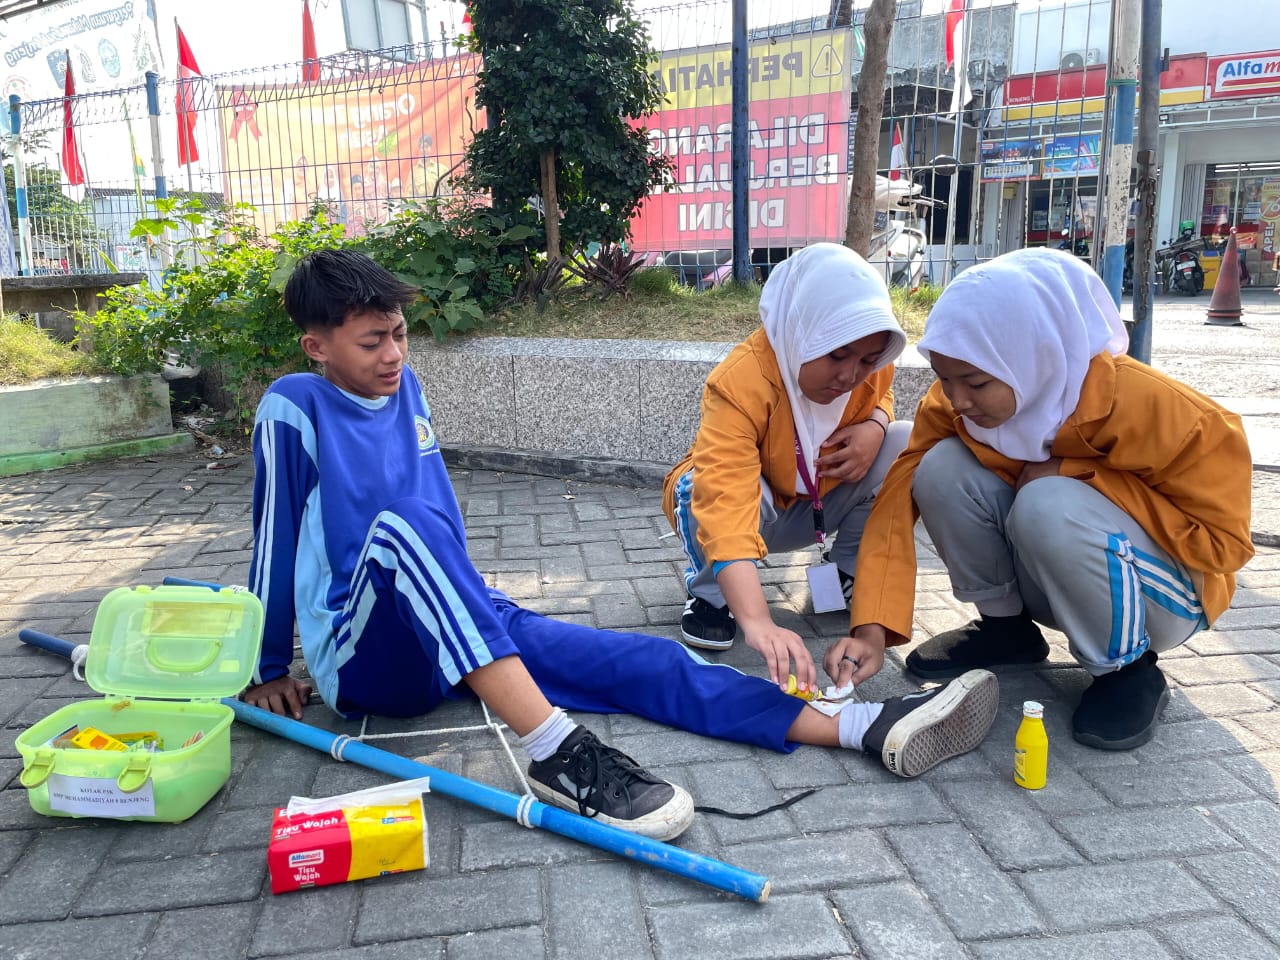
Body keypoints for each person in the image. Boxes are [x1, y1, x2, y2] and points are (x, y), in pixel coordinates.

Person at [241, 249, 1001, 841]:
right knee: (403, 525)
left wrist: (476, 612)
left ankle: (861, 727)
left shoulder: (404, 389)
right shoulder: (293, 407)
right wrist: (266, 667)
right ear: (316, 346)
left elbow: (443, 517)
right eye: (372, 341)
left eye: (400, 335)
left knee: (647, 661)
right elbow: (274, 544)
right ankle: (556, 752)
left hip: (456, 623)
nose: (393, 355)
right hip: (363, 656)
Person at [836, 248, 1253, 750]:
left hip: (1166, 600)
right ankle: (1007, 631)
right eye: (945, 378)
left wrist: (1075, 473)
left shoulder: (1167, 413)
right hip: (1055, 577)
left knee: (1048, 500)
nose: (957, 399)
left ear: (1037, 356)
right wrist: (871, 628)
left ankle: (1129, 671)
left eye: (976, 382)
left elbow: (1224, 546)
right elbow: (895, 506)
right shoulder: (954, 405)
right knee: (939, 467)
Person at [662, 243, 912, 695]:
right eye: (837, 355)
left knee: (905, 442)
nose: (850, 375)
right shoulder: (740, 381)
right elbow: (725, 498)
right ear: (800, 329)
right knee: (698, 483)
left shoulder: (870, 367)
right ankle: (712, 595)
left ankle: (848, 573)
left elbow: (882, 398)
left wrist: (876, 424)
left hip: (809, 509)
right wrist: (758, 621)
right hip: (746, 513)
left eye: (866, 360)